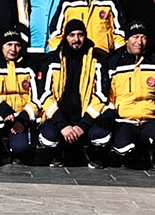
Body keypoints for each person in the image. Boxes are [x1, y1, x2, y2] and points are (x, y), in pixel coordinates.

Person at [99, 19, 155, 168]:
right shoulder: (114, 62)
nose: (139, 42)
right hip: (125, 119)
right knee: (125, 149)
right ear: (126, 40)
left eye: (143, 37)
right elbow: (106, 94)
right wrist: (110, 112)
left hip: (149, 118)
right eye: (135, 37)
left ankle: (154, 155)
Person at [36, 19, 104, 167]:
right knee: (49, 137)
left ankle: (94, 155)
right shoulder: (52, 60)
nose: (76, 39)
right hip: (60, 116)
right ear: (65, 37)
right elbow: (45, 95)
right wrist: (62, 125)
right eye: (72, 35)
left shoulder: (97, 60)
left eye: (80, 35)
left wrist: (83, 125)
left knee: (102, 135)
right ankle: (56, 155)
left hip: (85, 116)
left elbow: (101, 96)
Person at [0, 32, 43, 166]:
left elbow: (37, 98)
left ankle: (15, 151)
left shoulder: (29, 67)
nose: (13, 49)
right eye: (9, 45)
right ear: (1, 46)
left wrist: (23, 118)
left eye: (17, 45)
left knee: (22, 148)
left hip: (21, 115)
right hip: (1, 113)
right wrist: (4, 110)